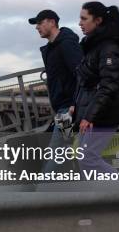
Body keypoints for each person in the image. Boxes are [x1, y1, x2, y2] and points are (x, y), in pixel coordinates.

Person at [73, 2, 119, 175]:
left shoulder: (108, 48)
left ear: (98, 20)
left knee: (87, 158)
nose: (80, 22)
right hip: (95, 112)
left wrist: (90, 116)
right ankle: (105, 197)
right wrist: (77, 107)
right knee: (84, 157)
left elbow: (109, 85)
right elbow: (87, 83)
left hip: (105, 114)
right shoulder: (94, 46)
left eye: (84, 18)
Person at [28, 9, 83, 173]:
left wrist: (74, 103)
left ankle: (42, 195)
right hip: (62, 110)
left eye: (40, 23)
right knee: (63, 153)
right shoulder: (52, 48)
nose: (37, 27)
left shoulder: (66, 44)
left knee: (55, 155)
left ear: (52, 22)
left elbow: (81, 74)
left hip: (69, 110)